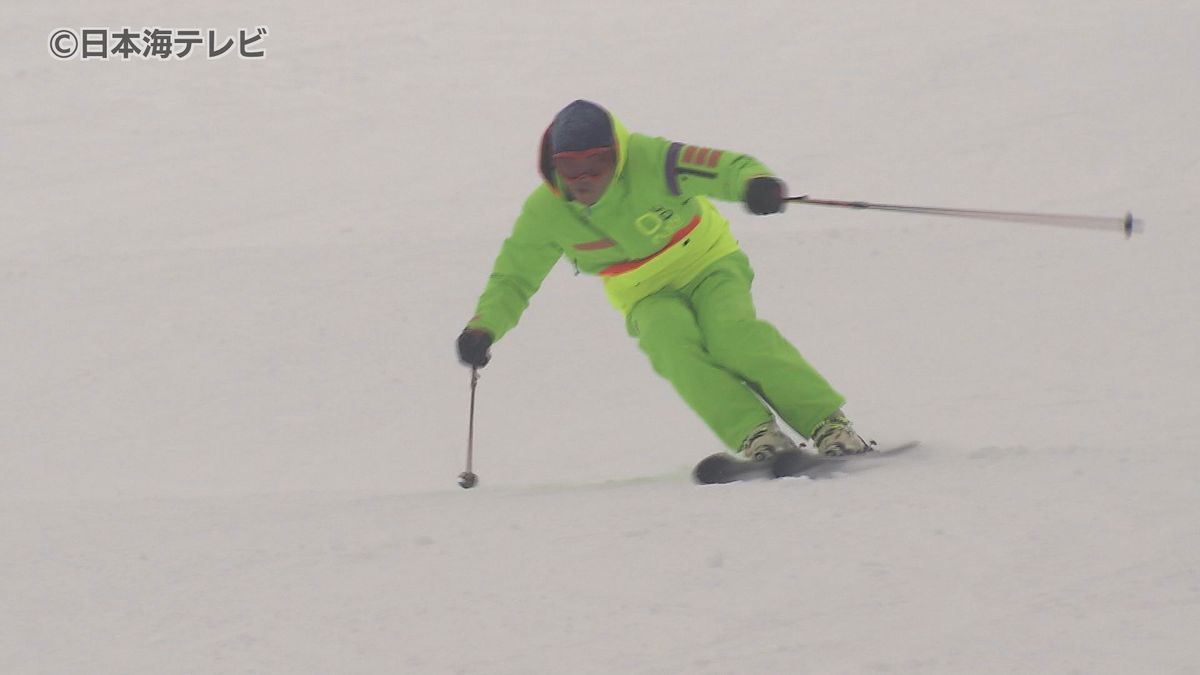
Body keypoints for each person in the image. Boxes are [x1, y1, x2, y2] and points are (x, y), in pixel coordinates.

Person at [456, 100, 870, 460]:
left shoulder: (652, 159)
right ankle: (756, 435)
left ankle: (829, 425)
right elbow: (514, 277)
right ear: (554, 165)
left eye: (595, 164)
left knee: (732, 335)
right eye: (570, 167)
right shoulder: (546, 212)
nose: (583, 179)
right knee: (670, 345)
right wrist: (483, 327)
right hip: (643, 293)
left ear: (616, 156)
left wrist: (755, 183)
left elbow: (724, 167)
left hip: (707, 264)